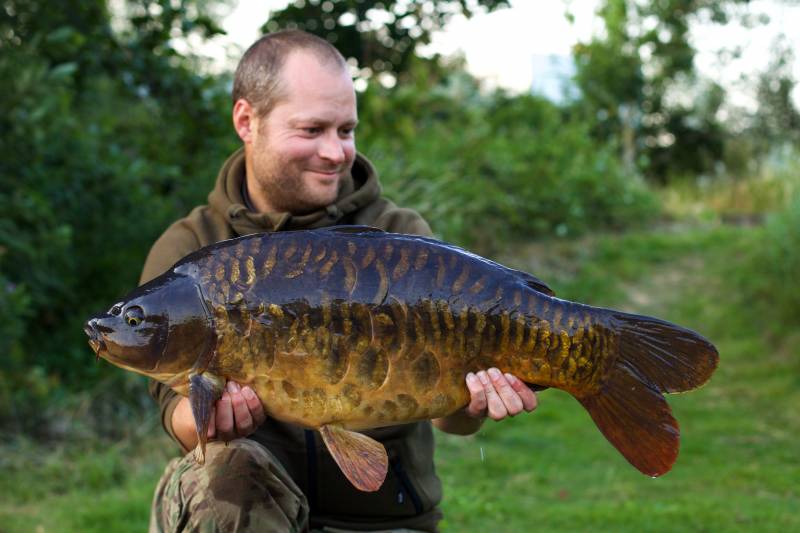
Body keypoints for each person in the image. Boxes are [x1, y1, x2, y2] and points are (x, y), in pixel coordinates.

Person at [141, 30, 538, 533]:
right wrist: (206, 419)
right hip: (248, 509)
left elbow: (451, 417)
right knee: (223, 469)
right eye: (312, 130)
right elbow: (174, 413)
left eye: (346, 130)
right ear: (247, 120)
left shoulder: (399, 238)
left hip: (382, 519)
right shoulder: (190, 251)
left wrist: (478, 401)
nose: (335, 152)